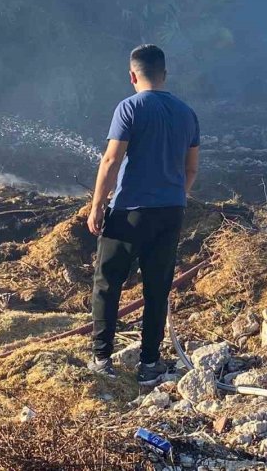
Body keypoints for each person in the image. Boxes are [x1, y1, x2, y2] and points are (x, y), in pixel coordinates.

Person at [86, 44, 200, 386]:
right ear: (164, 74)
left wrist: (96, 206)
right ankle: (150, 363)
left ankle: (102, 359)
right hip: (170, 212)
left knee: (107, 283)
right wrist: (176, 195)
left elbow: (110, 160)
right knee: (156, 288)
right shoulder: (187, 113)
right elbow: (191, 168)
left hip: (129, 212)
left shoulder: (129, 108)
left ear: (132, 75)